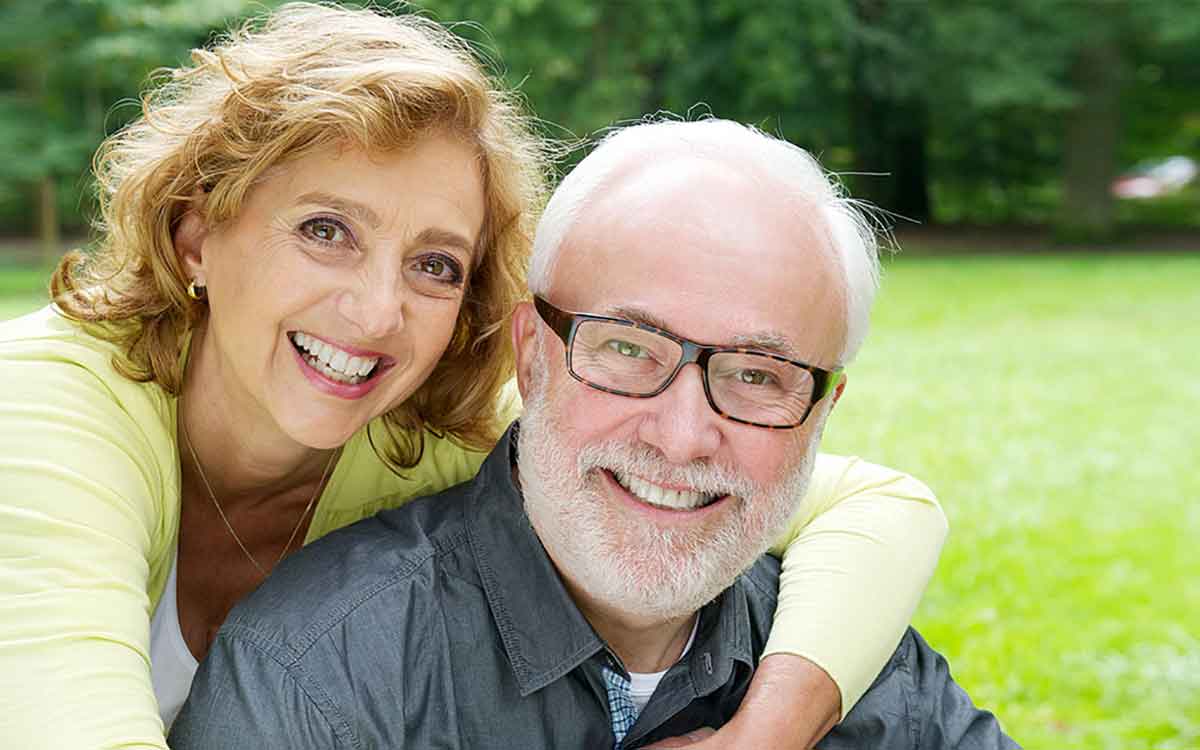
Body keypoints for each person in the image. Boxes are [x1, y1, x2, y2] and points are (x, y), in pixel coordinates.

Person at [0, 5, 946, 750]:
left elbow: (872, 503)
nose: (376, 313)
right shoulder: (42, 418)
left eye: (434, 264)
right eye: (326, 231)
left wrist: (768, 731)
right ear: (197, 231)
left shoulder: (415, 427)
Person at [171, 118, 1016, 749]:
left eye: (758, 375)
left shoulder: (863, 671)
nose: (684, 438)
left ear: (824, 412)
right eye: (626, 350)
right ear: (531, 358)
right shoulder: (326, 678)